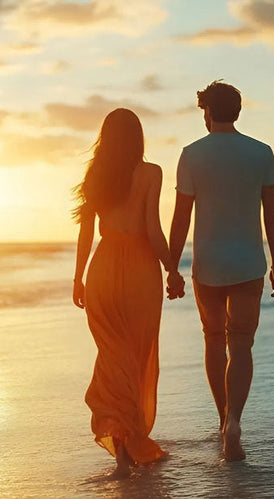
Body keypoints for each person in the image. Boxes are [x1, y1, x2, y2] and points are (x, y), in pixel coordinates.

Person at [167, 80, 274, 462]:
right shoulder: (261, 152)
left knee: (214, 339)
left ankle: (222, 420)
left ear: (207, 111)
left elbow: (181, 217)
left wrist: (172, 267)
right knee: (242, 342)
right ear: (237, 110)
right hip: (249, 263)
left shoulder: (192, 154)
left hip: (209, 266)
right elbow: (272, 212)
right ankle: (234, 420)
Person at [72, 108, 182, 478]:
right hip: (139, 273)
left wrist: (78, 278)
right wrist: (171, 268)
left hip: (102, 271)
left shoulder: (96, 173)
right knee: (134, 359)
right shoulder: (151, 173)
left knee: (112, 359)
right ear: (138, 137)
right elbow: (152, 228)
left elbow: (86, 232)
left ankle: (123, 447)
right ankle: (130, 442)